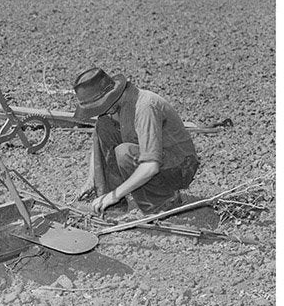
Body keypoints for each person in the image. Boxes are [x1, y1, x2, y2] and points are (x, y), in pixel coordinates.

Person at [73, 67, 199, 215]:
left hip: (180, 167)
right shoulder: (114, 109)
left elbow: (151, 166)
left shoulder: (145, 106)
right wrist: (91, 180)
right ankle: (114, 206)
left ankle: (163, 203)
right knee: (103, 126)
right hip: (158, 160)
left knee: (124, 153)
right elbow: (99, 145)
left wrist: (114, 195)